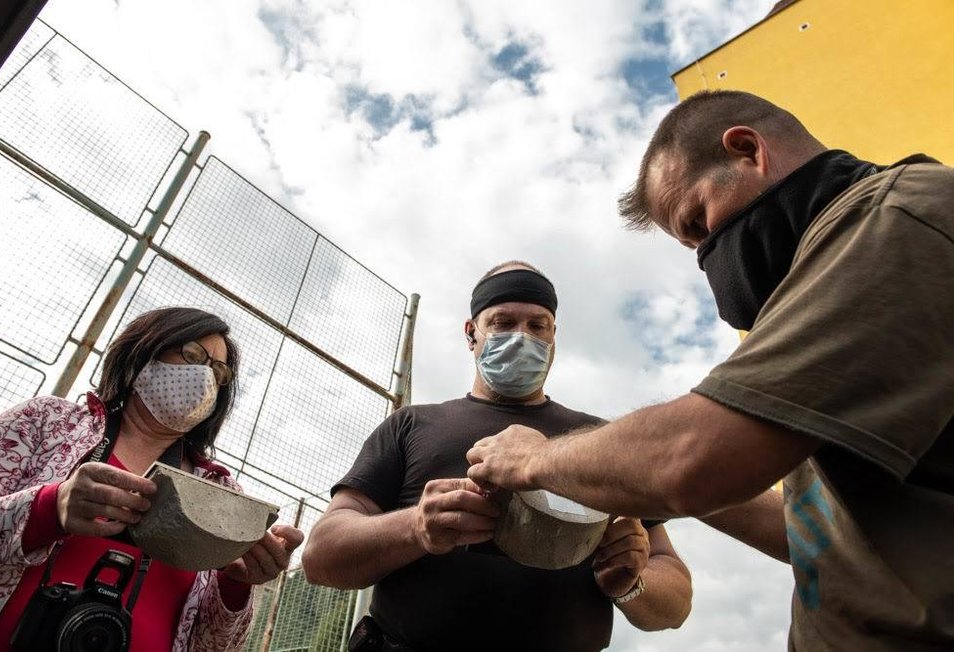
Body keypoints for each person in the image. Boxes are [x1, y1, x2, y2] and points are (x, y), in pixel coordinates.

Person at [466, 90, 954, 651]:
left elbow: (692, 460)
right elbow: (819, 536)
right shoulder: (835, 277)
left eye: (698, 222)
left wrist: (535, 459)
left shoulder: (895, 220)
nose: (711, 260)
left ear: (748, 150)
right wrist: (632, 477)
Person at [302, 262, 694, 652]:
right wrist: (415, 527)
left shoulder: (598, 442)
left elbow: (675, 603)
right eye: (503, 322)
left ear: (554, 336)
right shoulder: (413, 425)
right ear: (472, 333)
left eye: (537, 325)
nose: (522, 338)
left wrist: (632, 582)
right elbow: (321, 556)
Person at [0, 307, 304, 651]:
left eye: (219, 372)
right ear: (143, 352)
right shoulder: (48, 422)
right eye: (193, 355)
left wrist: (236, 585)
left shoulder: (221, 493)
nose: (206, 377)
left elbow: (216, 645)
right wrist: (49, 508)